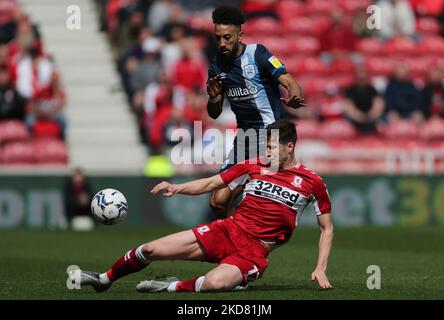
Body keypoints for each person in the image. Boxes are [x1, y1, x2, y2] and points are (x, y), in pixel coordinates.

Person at [70, 119, 334, 293]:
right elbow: (210, 183)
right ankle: (104, 279)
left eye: (273, 147)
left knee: (214, 284)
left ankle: (171, 287)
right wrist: (177, 188)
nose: (268, 152)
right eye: (266, 146)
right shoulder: (253, 165)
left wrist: (320, 267)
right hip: (227, 230)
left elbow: (327, 229)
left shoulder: (312, 183)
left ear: (290, 147)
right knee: (150, 249)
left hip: (254, 251)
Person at [206, 5, 305, 218]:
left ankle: (246, 240)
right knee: (217, 203)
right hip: (244, 139)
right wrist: (214, 97)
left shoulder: (258, 54)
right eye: (218, 38)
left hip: (271, 137)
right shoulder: (216, 66)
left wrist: (294, 95)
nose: (222, 43)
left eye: (227, 37)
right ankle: (237, 235)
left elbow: (288, 79)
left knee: (255, 203)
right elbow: (213, 113)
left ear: (240, 35)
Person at [344, 66, 384, 133]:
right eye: (360, 72)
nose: (361, 75)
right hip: (355, 116)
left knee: (381, 124)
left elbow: (378, 103)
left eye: (363, 73)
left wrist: (372, 114)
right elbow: (348, 105)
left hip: (371, 116)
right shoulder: (350, 89)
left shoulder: (372, 89)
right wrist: (357, 115)